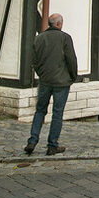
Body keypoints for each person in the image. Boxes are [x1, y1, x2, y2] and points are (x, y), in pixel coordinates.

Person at [25, 13, 78, 156]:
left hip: (45, 81)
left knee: (40, 110)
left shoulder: (39, 38)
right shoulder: (65, 38)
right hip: (61, 82)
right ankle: (52, 145)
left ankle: (32, 140)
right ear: (59, 24)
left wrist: (41, 74)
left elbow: (34, 60)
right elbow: (71, 59)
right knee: (57, 113)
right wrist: (73, 77)